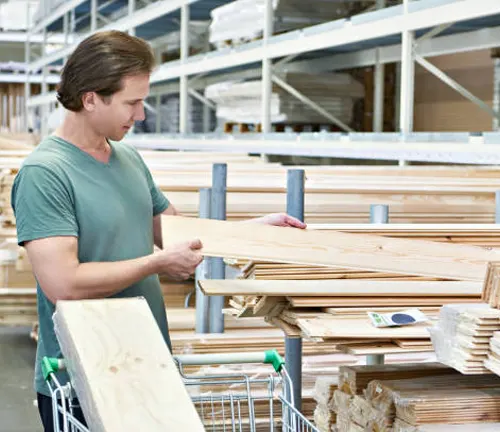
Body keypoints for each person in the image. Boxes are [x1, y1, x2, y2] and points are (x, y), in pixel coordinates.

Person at [11, 30, 306, 432]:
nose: (142, 115)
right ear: (90, 98)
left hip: (147, 365)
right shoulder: (45, 174)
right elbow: (63, 283)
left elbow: (176, 234)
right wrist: (157, 262)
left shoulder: (128, 159)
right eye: (132, 103)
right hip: (83, 378)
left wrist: (253, 231)